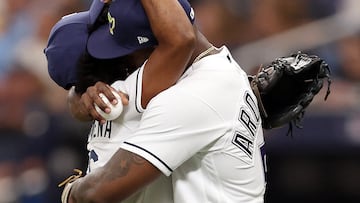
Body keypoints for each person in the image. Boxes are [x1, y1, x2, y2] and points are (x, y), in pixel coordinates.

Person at [45, 0, 267, 202]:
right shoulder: (223, 68)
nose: (126, 62)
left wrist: (70, 191)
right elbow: (181, 38)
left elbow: (94, 195)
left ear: (158, 46)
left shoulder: (184, 97)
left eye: (126, 52)